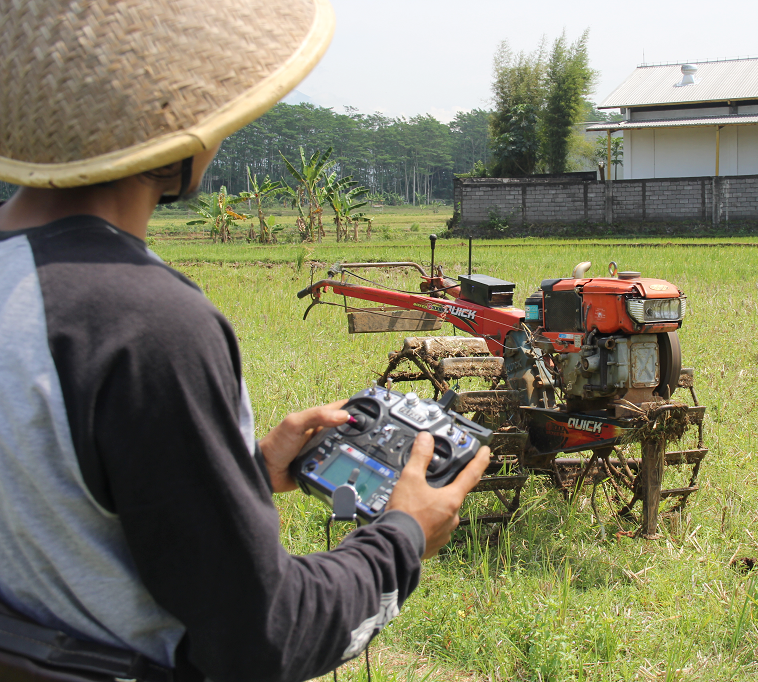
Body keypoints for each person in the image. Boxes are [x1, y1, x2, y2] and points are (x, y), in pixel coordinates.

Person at [0, 1, 490, 681]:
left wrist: (241, 475)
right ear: (186, 129)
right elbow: (264, 639)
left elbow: (53, 502)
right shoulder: (147, 324)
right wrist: (403, 538)